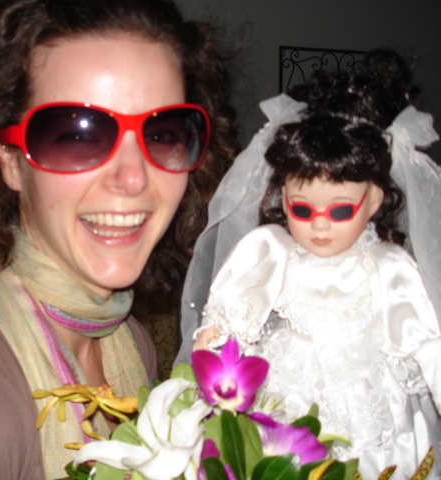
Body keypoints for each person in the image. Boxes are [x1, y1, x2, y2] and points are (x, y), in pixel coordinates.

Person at [0, 0, 238, 479]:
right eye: (76, 134)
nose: (134, 178)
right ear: (9, 158)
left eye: (163, 133)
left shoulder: (127, 340)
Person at [182, 49, 441, 478]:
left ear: (374, 200)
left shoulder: (389, 267)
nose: (320, 226)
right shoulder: (271, 250)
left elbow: (427, 345)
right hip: (290, 386)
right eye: (303, 209)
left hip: (369, 395)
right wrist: (215, 337)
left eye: (339, 210)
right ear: (283, 198)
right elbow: (233, 318)